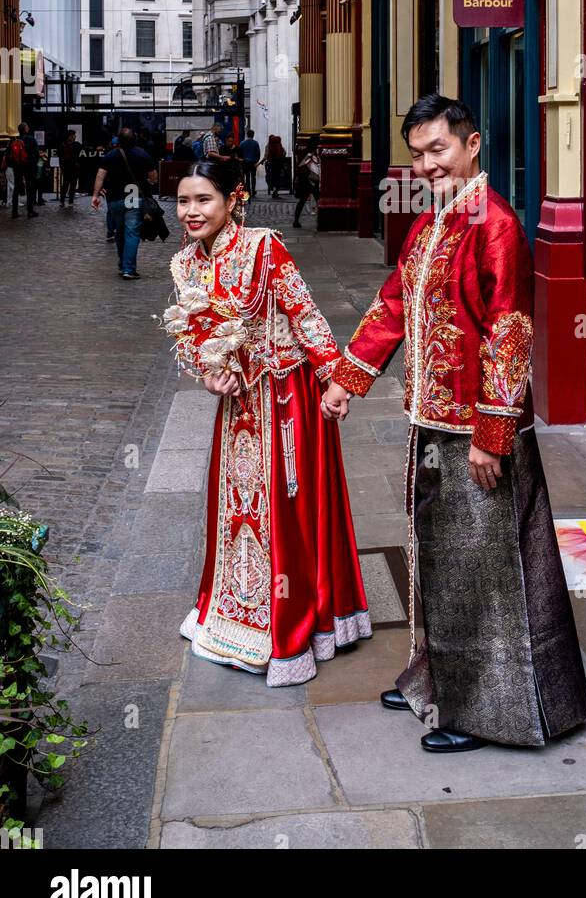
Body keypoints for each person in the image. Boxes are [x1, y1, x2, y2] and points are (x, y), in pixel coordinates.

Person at [323, 94, 586, 754]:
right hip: (431, 420)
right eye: (416, 154)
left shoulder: (493, 223)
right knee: (441, 561)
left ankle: (483, 712)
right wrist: (347, 378)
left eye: (437, 149)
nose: (426, 164)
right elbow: (393, 302)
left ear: (473, 146)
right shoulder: (430, 224)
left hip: (477, 431)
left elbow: (509, 331)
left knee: (487, 572)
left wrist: (491, 435)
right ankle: (437, 675)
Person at [161, 159, 371, 686]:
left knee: (287, 508)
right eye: (183, 201)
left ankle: (294, 623)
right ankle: (233, 614)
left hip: (286, 398)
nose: (191, 211)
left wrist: (335, 380)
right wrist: (211, 376)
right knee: (234, 506)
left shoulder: (264, 247)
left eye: (203, 200)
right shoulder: (186, 265)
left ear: (234, 199)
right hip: (237, 406)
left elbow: (306, 315)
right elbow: (193, 338)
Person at [90, 126, 157, 279]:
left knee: (120, 232)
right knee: (132, 233)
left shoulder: (110, 156)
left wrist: (95, 195)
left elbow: (100, 176)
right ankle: (128, 269)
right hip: (133, 197)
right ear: (134, 139)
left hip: (115, 199)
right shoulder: (142, 154)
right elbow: (153, 176)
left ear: (118, 140)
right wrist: (150, 182)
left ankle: (123, 264)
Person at [9, 122, 38, 219]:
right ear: (25, 129)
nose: (28, 128)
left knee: (16, 188)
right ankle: (30, 211)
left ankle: (14, 212)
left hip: (17, 167)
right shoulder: (31, 139)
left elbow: (10, 155)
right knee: (29, 188)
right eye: (27, 127)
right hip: (28, 166)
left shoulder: (14, 141)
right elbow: (36, 153)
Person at [292, 135, 321, 228]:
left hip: (305, 180)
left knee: (302, 201)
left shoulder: (305, 152)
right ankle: (321, 221)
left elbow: (300, 166)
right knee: (318, 200)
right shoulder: (313, 153)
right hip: (311, 179)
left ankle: (296, 220)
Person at [58, 130, 81, 206]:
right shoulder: (74, 145)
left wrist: (61, 167)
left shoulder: (63, 145)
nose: (75, 137)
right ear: (70, 136)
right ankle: (68, 201)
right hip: (71, 167)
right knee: (69, 185)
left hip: (68, 167)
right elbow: (61, 157)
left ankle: (64, 201)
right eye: (74, 135)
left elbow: (60, 157)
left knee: (67, 184)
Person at [237, 129, 261, 198]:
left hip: (245, 162)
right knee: (253, 177)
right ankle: (253, 191)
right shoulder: (255, 143)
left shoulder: (242, 143)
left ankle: (248, 191)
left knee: (247, 177)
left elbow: (240, 153)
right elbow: (258, 153)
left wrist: (242, 160)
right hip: (253, 162)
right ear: (253, 135)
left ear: (247, 135)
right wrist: (256, 161)